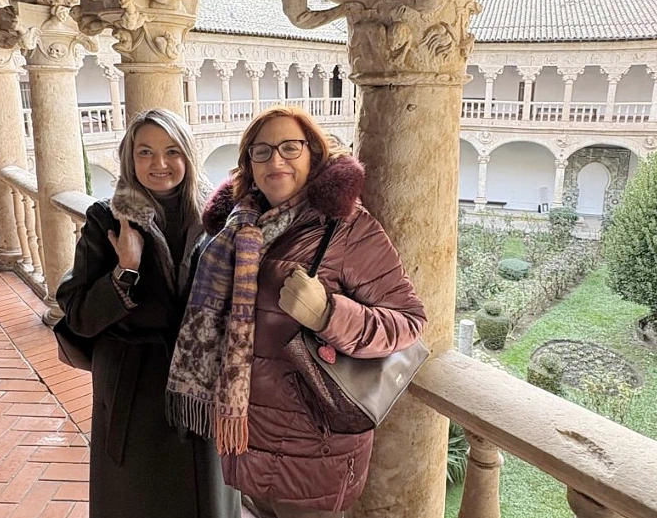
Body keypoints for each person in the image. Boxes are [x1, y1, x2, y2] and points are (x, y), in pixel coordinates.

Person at [168, 106, 426, 518]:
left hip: (314, 454)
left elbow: (409, 322)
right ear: (249, 164)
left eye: (290, 147)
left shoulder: (346, 227)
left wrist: (328, 314)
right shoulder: (234, 229)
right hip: (246, 440)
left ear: (313, 154)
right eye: (262, 151)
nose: (276, 160)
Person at [56, 108, 240, 518]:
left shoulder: (218, 217)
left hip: (199, 386)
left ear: (188, 154)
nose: (160, 163)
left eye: (172, 151)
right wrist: (125, 270)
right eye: (145, 152)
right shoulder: (106, 218)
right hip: (135, 388)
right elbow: (79, 315)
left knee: (205, 496)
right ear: (130, 157)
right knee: (137, 498)